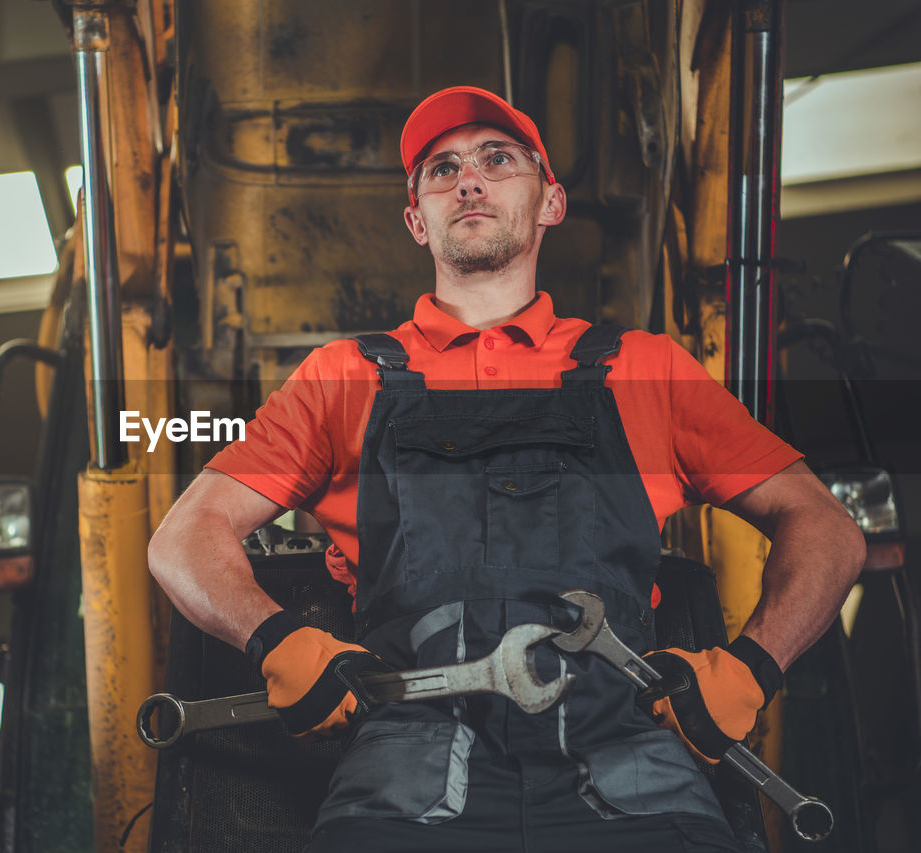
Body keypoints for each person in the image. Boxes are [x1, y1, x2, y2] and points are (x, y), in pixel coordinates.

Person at [147, 86, 865, 852]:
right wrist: (276, 638)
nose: (470, 179)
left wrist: (752, 665)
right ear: (418, 219)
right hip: (405, 769)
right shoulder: (343, 377)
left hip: (629, 761)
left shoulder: (644, 369)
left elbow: (827, 528)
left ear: (550, 200)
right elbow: (184, 537)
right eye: (442, 168)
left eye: (499, 158)